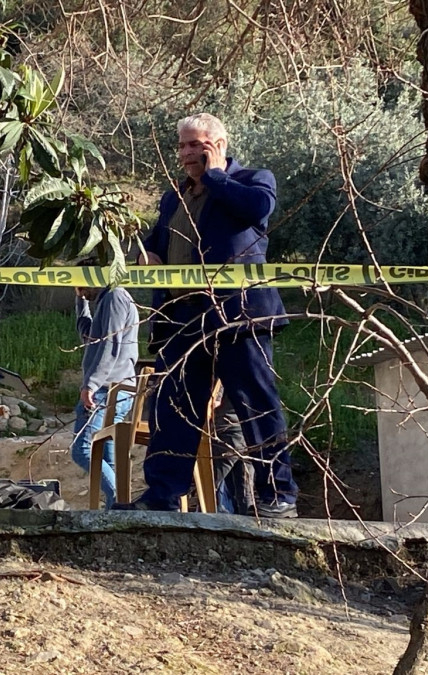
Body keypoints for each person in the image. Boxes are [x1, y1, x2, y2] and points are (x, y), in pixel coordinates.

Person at [119, 112, 297, 517]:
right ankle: (162, 496)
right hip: (182, 318)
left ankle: (277, 495)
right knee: (171, 408)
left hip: (238, 317)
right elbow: (155, 244)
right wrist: (147, 256)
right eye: (181, 145)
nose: (185, 153)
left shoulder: (254, 180)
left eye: (195, 145)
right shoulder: (173, 197)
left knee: (256, 405)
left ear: (218, 144)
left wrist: (216, 177)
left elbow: (258, 210)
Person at [70, 273, 140, 507]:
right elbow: (89, 336)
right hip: (112, 387)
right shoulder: (106, 300)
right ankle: (118, 512)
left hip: (109, 389)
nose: (78, 286)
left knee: (82, 449)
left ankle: (121, 505)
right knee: (108, 457)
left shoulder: (114, 297)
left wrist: (91, 384)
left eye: (80, 281)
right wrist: (81, 302)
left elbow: (111, 344)